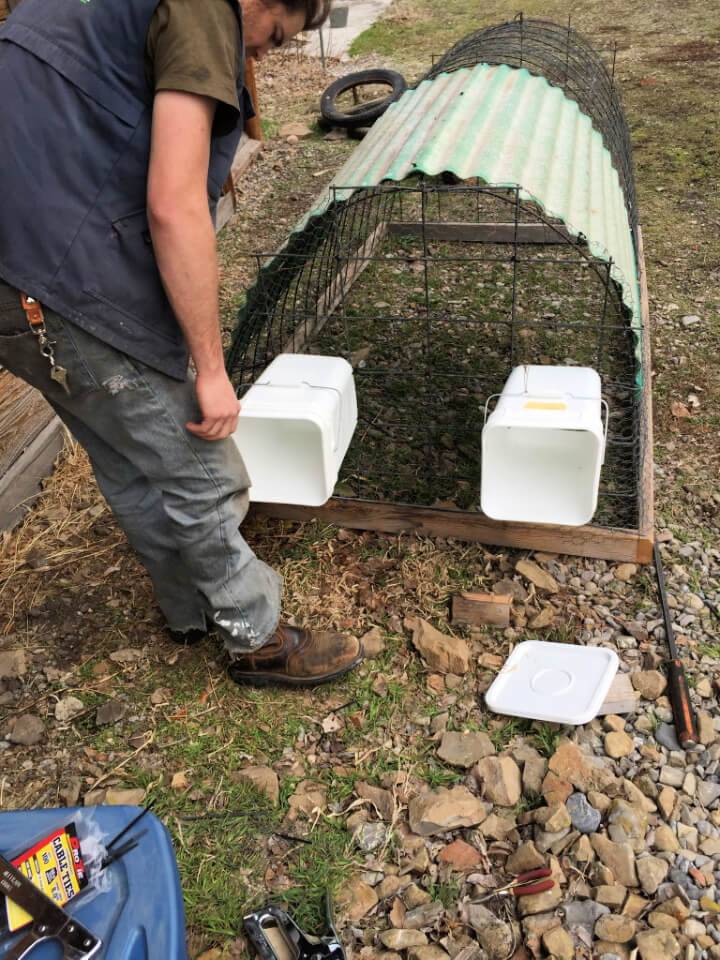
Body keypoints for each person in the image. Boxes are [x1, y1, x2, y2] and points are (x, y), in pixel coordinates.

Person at [0, 0, 363, 686]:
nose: (259, 55)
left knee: (128, 457)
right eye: (273, 36)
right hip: (58, 272)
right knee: (202, 468)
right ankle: (256, 637)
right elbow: (174, 204)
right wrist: (212, 368)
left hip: (15, 277)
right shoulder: (202, 9)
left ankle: (188, 608)